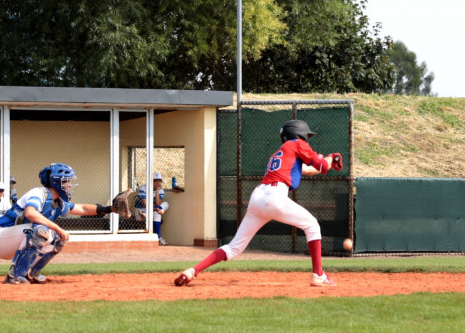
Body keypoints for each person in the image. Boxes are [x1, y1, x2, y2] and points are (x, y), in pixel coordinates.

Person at [175, 119, 343, 288]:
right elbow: (321, 165)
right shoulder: (296, 143)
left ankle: (192, 271)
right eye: (305, 136)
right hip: (274, 196)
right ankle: (319, 275)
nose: (307, 140)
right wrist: (331, 158)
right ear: (298, 134)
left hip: (258, 197)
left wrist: (329, 164)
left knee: (234, 247)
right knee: (312, 225)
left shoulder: (280, 154)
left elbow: (309, 170)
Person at [0, 163, 133, 283]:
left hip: (14, 240)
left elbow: (81, 208)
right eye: (66, 181)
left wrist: (110, 209)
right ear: (56, 182)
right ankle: (14, 276)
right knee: (41, 231)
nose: (69, 185)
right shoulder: (39, 193)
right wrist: (57, 227)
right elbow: (30, 213)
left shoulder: (59, 202)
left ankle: (30, 274)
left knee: (58, 239)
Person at [137, 172, 170, 245]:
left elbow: (158, 203)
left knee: (165, 204)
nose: (158, 183)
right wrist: (157, 209)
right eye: (155, 181)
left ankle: (159, 238)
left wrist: (157, 190)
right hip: (141, 211)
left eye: (159, 181)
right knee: (157, 213)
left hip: (153, 210)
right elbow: (145, 205)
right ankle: (159, 238)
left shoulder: (161, 190)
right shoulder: (143, 188)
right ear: (151, 181)